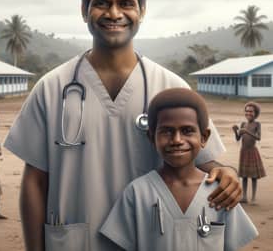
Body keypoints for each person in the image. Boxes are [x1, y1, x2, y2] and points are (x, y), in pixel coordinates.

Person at [4, 0, 242, 251]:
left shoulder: (171, 86)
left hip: (152, 240)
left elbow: (204, 163)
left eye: (126, 3)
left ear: (141, 11)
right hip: (75, 242)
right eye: (101, 2)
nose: (114, 13)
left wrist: (226, 172)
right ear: (83, 10)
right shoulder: (52, 88)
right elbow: (35, 182)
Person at [100, 88, 258, 251]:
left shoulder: (220, 193)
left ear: (204, 137)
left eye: (187, 131)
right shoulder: (137, 193)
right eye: (167, 131)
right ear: (151, 138)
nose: (177, 140)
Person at [232, 102, 266, 204]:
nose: (248, 113)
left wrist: (246, 131)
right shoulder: (243, 124)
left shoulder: (257, 124)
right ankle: (244, 196)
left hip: (252, 152)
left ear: (256, 113)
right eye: (246, 111)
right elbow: (238, 138)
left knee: (254, 176)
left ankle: (253, 198)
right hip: (244, 152)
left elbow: (258, 137)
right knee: (244, 176)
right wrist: (235, 131)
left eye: (251, 111)